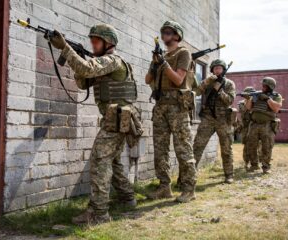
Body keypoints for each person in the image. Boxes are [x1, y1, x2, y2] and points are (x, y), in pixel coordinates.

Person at [49, 24, 143, 224]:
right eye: (91, 40)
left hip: (117, 119)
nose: (92, 44)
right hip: (116, 119)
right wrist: (79, 59)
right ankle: (128, 199)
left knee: (100, 160)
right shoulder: (104, 63)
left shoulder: (113, 60)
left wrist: (66, 48)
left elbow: (87, 69)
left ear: (108, 43)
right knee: (114, 163)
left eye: (96, 41)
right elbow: (83, 82)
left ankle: (98, 214)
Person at [145, 21, 197, 203]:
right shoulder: (161, 56)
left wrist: (164, 63)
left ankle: (189, 189)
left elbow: (178, 79)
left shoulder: (183, 53)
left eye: (168, 32)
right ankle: (164, 187)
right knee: (160, 149)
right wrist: (154, 63)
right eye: (163, 32)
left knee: (183, 147)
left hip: (177, 106)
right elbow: (147, 80)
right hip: (160, 106)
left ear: (176, 35)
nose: (164, 35)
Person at [193, 59, 236, 184]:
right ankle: (189, 177)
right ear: (212, 70)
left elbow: (229, 101)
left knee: (226, 149)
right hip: (208, 118)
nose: (217, 70)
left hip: (223, 119)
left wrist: (220, 91)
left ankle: (229, 175)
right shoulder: (208, 82)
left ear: (223, 70)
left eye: (220, 68)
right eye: (215, 68)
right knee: (197, 146)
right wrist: (206, 82)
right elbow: (196, 92)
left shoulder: (229, 84)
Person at [244, 77, 282, 174]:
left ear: (271, 86)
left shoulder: (276, 96)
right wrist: (249, 98)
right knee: (251, 145)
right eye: (263, 85)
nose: (263, 87)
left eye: (265, 86)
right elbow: (248, 107)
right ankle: (254, 165)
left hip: (267, 125)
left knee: (266, 146)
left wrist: (267, 99)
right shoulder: (256, 95)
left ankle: (266, 166)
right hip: (254, 124)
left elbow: (276, 108)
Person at [236, 86, 255, 170]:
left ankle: (256, 162)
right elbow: (242, 113)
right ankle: (246, 162)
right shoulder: (241, 104)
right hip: (246, 127)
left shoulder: (256, 102)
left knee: (257, 145)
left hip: (255, 125)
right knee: (246, 146)